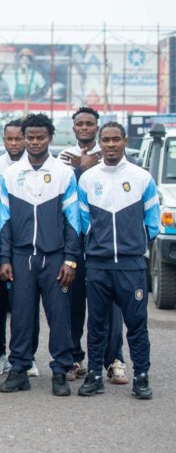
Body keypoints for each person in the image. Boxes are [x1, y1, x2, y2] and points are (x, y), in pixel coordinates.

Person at [0, 113, 78, 396]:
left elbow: (74, 221)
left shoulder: (63, 174)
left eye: (39, 137)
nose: (33, 142)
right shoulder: (9, 175)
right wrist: (4, 258)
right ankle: (19, 369)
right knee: (20, 317)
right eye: (29, 137)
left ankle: (60, 371)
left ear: (50, 138)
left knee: (59, 316)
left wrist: (70, 259)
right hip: (20, 258)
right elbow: (3, 221)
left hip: (55, 257)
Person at [77, 123, 156, 400]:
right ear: (100, 143)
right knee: (96, 324)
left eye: (115, 140)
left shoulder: (141, 177)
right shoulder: (87, 179)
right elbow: (82, 221)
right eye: (105, 140)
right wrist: (95, 246)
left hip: (131, 265)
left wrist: (135, 246)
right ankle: (95, 375)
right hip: (98, 265)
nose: (110, 145)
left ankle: (142, 377)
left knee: (136, 324)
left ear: (124, 141)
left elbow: (153, 222)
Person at [59, 106, 126, 384]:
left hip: (106, 247)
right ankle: (75, 358)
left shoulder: (112, 157)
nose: (84, 128)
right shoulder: (62, 159)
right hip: (76, 246)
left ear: (97, 127)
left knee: (111, 306)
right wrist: (78, 169)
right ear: (73, 128)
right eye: (80, 124)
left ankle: (114, 360)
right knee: (73, 305)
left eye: (89, 123)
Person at [0, 119, 25, 375]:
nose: (13, 144)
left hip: (23, 246)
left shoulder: (36, 166)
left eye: (18, 139)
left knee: (24, 308)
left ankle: (24, 356)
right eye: (9, 139)